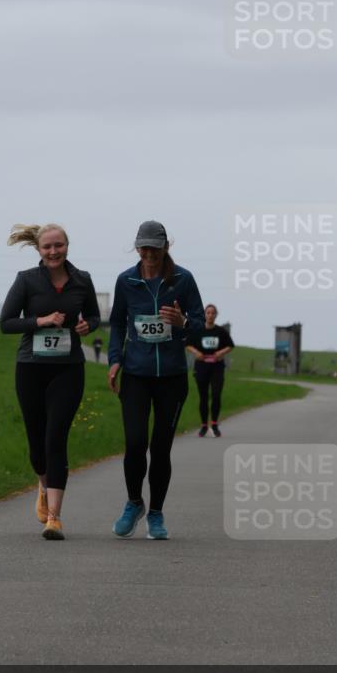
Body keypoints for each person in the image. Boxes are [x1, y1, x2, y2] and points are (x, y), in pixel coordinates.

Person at [0, 223, 100, 540]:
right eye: (47, 247)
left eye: (59, 245)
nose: (54, 251)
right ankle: (43, 487)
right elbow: (6, 322)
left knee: (56, 437)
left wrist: (88, 326)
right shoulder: (26, 280)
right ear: (39, 250)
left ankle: (54, 518)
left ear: (67, 246)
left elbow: (95, 316)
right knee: (37, 444)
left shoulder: (82, 280)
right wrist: (40, 321)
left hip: (68, 369)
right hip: (31, 367)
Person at [107, 221, 205, 540]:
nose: (148, 253)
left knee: (160, 449)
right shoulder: (126, 281)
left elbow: (201, 326)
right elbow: (118, 325)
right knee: (135, 443)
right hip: (136, 375)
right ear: (137, 248)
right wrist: (114, 361)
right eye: (143, 247)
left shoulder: (183, 280)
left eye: (154, 247)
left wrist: (183, 322)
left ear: (166, 247)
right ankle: (134, 502)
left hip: (172, 378)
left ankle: (156, 514)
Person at [186, 304, 235, 437]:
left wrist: (221, 352)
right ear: (205, 315)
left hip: (217, 367)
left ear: (216, 315)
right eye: (208, 313)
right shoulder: (198, 330)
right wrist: (196, 352)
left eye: (213, 313)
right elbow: (188, 345)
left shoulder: (220, 331)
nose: (210, 315)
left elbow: (230, 345)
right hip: (201, 366)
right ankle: (203, 425)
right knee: (203, 397)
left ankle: (214, 424)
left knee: (216, 394)